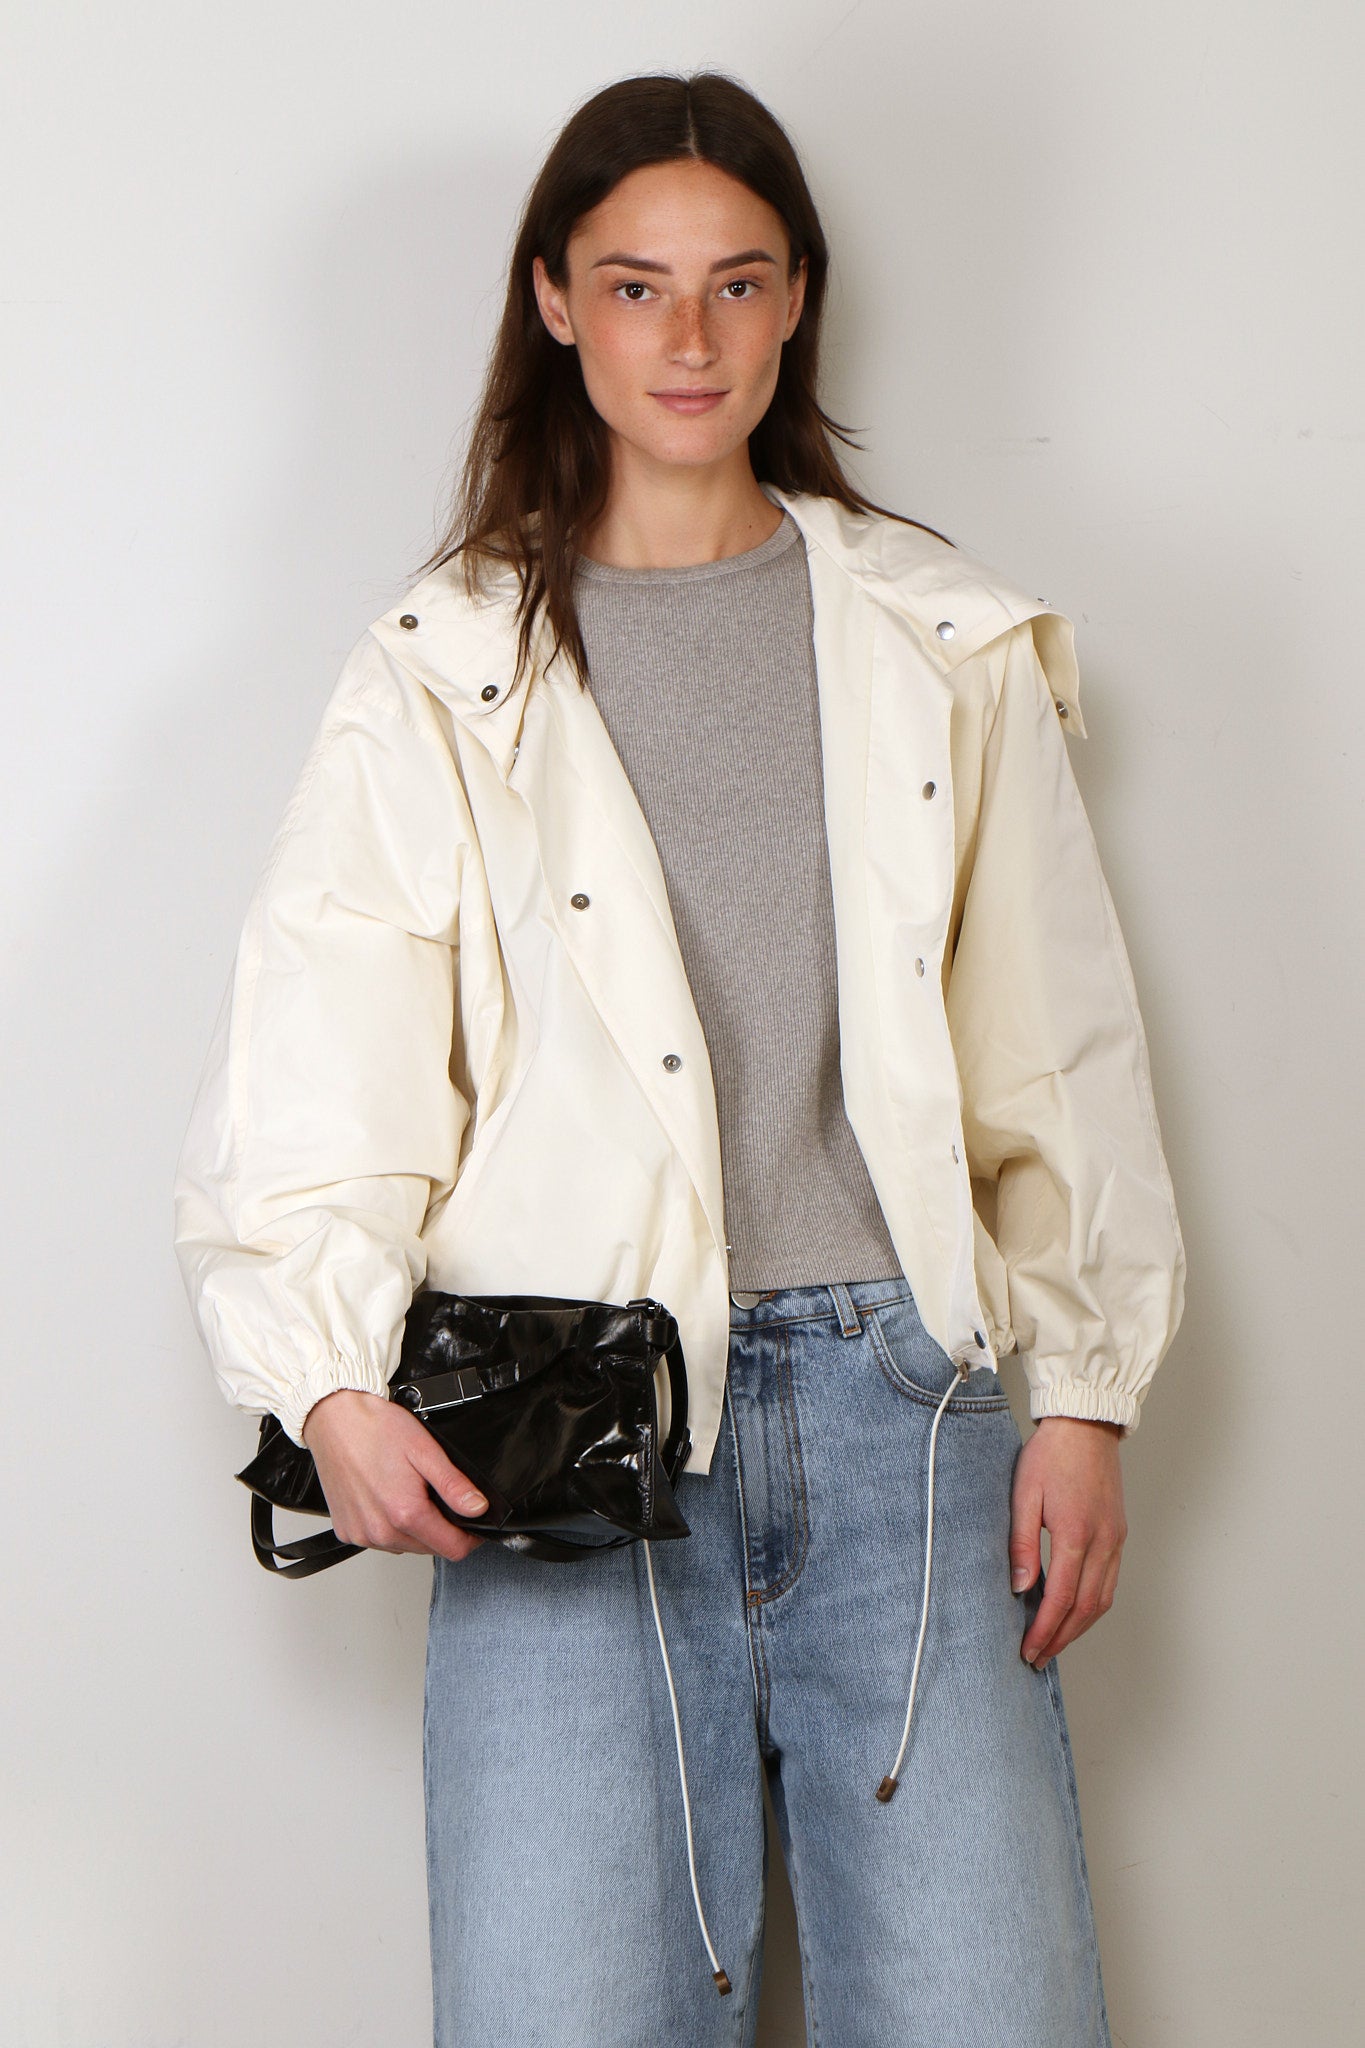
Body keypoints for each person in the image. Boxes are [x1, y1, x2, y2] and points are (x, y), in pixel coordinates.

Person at [174, 69, 1185, 2048]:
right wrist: (321, 1372)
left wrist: (1084, 1395)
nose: (689, 336)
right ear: (554, 301)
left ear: (796, 297)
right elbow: (324, 1045)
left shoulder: (939, 642)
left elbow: (1054, 1044)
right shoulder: (439, 671)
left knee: (990, 2012)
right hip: (567, 1440)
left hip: (910, 1417)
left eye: (735, 281)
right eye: (635, 285)